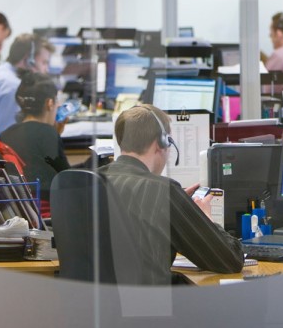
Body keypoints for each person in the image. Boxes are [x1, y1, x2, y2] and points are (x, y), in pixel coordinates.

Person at [100, 104, 244, 285]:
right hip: (148, 308)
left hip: (92, 307)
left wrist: (179, 203)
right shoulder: (162, 193)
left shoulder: (87, 182)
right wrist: (207, 218)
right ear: (160, 143)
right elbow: (230, 260)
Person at [0, 70, 73, 218]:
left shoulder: (5, 134)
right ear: (49, 103)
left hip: (18, 211)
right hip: (49, 213)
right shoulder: (48, 133)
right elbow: (67, 177)